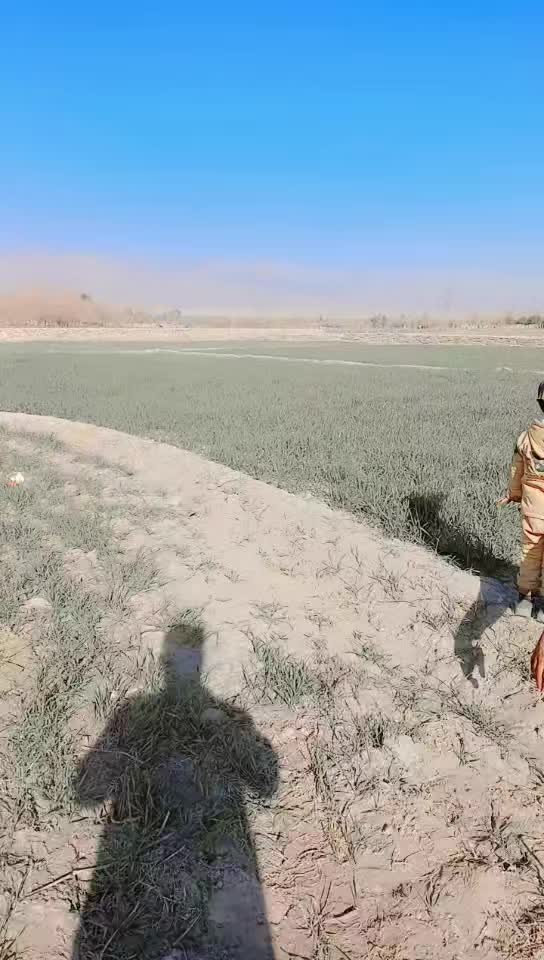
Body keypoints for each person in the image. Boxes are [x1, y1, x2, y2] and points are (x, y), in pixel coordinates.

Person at [499, 381, 544, 621]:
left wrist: (513, 494)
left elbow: (516, 471)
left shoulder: (525, 438)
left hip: (532, 508)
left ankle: (524, 600)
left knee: (530, 551)